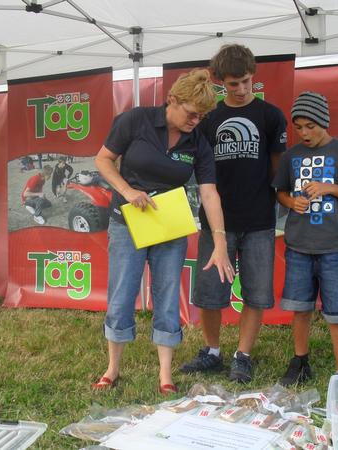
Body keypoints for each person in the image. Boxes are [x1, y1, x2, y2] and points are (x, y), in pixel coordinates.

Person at [93, 69, 234, 394]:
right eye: (191, 113)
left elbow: (210, 193)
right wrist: (127, 191)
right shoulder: (135, 120)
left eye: (201, 117)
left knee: (168, 295)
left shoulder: (198, 142)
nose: (195, 121)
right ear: (172, 100)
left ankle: (165, 375)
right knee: (122, 293)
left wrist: (220, 240)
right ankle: (113, 368)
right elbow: (103, 160)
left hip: (169, 225)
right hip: (127, 221)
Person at [179, 44, 287, 383]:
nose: (239, 90)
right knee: (210, 292)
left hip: (259, 221)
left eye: (244, 82)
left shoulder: (271, 116)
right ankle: (211, 351)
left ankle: (243, 355)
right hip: (216, 222)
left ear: (253, 75)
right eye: (231, 84)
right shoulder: (208, 119)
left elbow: (277, 168)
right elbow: (198, 169)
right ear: (219, 83)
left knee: (256, 292)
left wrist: (277, 201)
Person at [272, 91, 338, 385]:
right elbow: (281, 192)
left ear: (324, 122)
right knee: (300, 308)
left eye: (310, 126)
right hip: (298, 247)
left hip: (332, 248)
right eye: (298, 127)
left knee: (337, 312)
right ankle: (300, 361)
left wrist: (329, 188)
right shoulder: (291, 156)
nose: (304, 133)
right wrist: (291, 203)